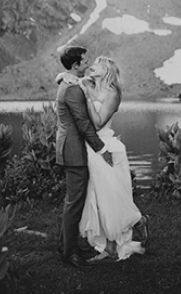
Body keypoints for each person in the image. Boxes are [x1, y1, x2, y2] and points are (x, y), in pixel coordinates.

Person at [58, 55, 149, 262]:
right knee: (98, 198)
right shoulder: (89, 84)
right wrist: (63, 77)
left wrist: (87, 100)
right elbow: (69, 78)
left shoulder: (113, 92)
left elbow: (98, 123)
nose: (91, 66)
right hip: (90, 148)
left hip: (105, 146)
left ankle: (137, 221)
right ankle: (107, 247)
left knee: (111, 195)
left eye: (96, 64)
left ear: (106, 69)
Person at [55, 46, 114, 268]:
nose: (87, 63)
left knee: (73, 199)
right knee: (74, 202)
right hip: (73, 151)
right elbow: (83, 124)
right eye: (83, 61)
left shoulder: (67, 83)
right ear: (75, 65)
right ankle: (69, 253)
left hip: (69, 148)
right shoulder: (71, 90)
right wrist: (101, 149)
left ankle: (66, 244)